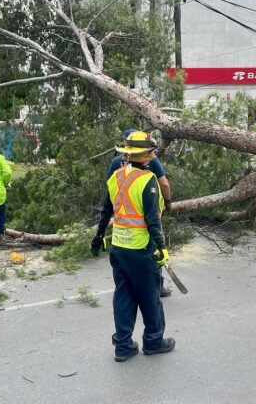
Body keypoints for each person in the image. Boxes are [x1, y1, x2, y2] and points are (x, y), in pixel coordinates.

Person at [91, 131, 175, 363]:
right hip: (141, 248)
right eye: (151, 151)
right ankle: (154, 341)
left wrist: (98, 236)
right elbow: (152, 220)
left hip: (119, 247)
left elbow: (106, 210)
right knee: (149, 297)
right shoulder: (147, 180)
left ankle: (123, 345)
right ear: (146, 155)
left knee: (124, 296)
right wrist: (162, 248)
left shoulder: (115, 177)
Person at [108, 128, 174, 298]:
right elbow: (164, 184)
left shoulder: (116, 162)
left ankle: (131, 287)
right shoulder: (150, 159)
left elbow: (109, 188)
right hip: (147, 213)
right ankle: (157, 286)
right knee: (153, 248)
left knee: (125, 254)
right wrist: (167, 203)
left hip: (123, 222)